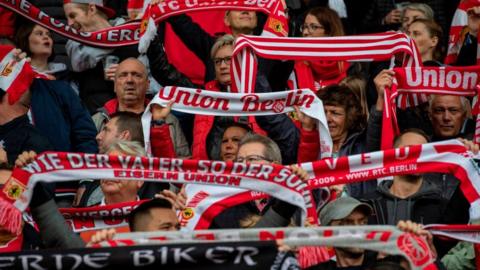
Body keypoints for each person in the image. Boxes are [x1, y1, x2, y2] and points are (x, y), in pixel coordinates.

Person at [363, 130, 471, 257]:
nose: (416, 156)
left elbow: (447, 258)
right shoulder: (365, 205)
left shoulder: (442, 206)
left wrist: (471, 159)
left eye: (422, 152)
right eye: (409, 151)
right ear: (392, 155)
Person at [92, 57, 190, 158]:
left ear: (148, 85)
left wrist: (159, 123)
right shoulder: (97, 120)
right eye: (123, 75)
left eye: (137, 75)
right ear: (115, 86)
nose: (129, 80)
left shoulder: (168, 120)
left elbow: (184, 162)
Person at [63, 0, 139, 113]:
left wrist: (128, 74)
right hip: (95, 118)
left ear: (92, 9)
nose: (69, 23)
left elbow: (150, 81)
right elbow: (77, 63)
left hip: (132, 115)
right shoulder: (74, 43)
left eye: (73, 15)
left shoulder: (132, 34)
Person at [294, 7, 349, 91]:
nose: (305, 32)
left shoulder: (350, 67)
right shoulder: (293, 63)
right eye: (304, 27)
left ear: (329, 31)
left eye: (313, 27)